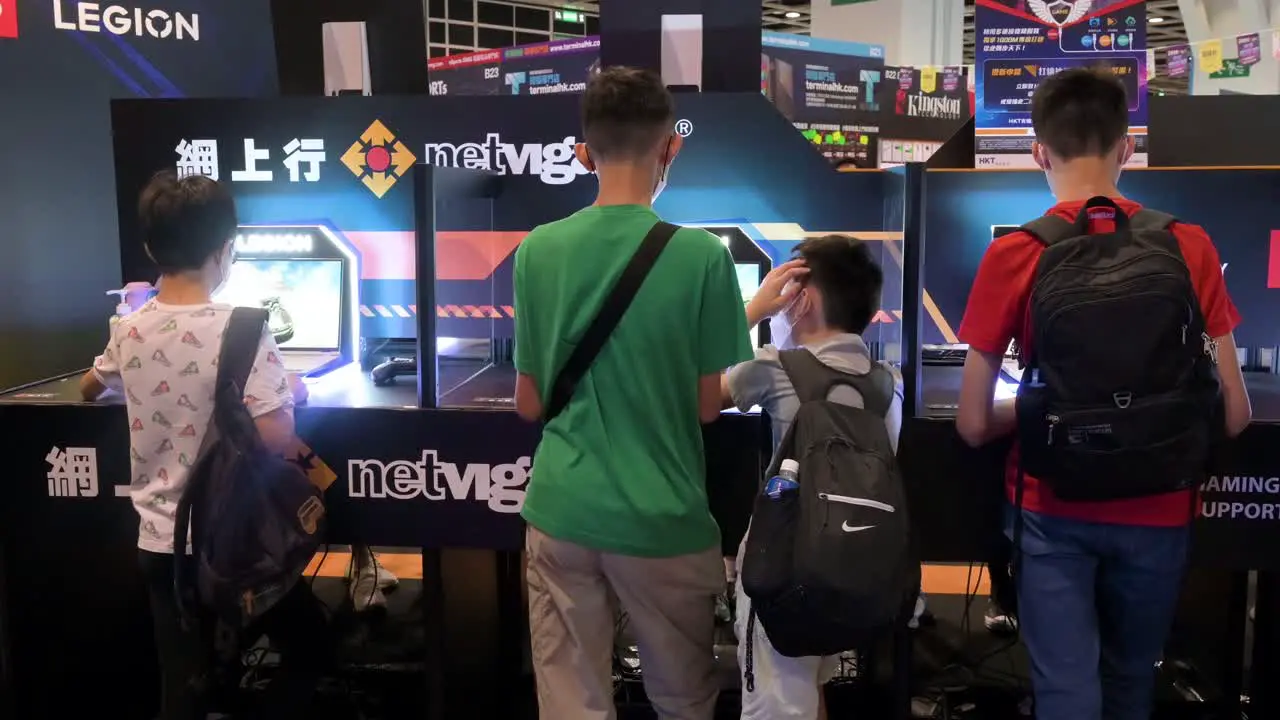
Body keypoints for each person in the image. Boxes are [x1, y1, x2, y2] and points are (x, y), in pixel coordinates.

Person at [955, 67, 1252, 720]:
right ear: (1126, 147)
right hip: (1161, 509)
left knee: (1066, 693)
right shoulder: (1189, 245)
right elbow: (1235, 413)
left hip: (1050, 509)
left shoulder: (1016, 254)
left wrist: (1046, 410)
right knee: (1129, 685)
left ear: (1039, 151)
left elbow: (973, 423)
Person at [513, 66, 753, 720]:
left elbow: (529, 404)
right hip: (662, 519)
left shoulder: (537, 250)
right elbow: (708, 404)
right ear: (670, 145)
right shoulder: (703, 256)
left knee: (571, 699)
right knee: (683, 699)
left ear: (582, 152)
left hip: (561, 510)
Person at [80, 171, 330, 720]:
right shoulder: (243, 327)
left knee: (182, 685)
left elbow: (90, 385)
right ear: (227, 248)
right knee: (309, 644)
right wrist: (291, 389)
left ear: (150, 247)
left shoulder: (129, 330)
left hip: (159, 545)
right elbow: (275, 432)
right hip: (233, 542)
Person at [722, 235, 902, 720]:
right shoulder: (890, 381)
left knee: (776, 704)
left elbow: (693, 390)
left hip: (782, 569)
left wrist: (749, 314)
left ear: (802, 297)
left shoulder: (774, 368)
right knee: (811, 689)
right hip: (857, 568)